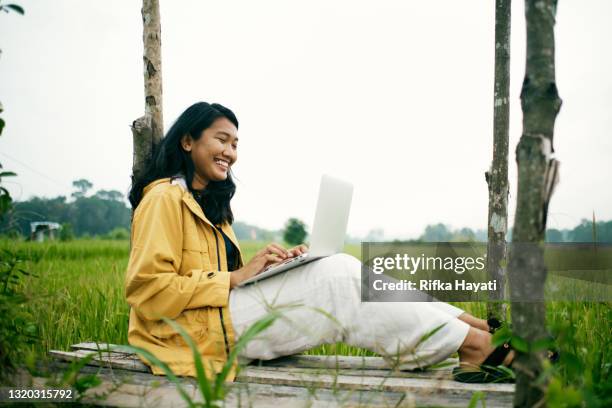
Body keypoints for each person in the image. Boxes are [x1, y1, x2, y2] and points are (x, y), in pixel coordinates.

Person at [125, 102, 515, 383]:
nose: (231, 152)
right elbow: (147, 291)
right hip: (188, 336)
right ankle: (473, 344)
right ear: (188, 142)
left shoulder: (212, 206)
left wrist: (271, 270)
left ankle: (470, 327)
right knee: (338, 276)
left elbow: (215, 278)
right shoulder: (162, 198)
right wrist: (235, 278)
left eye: (236, 144)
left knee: (337, 268)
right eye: (222, 140)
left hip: (218, 320)